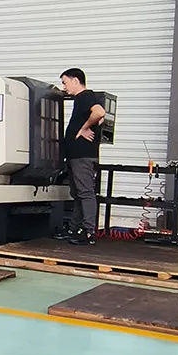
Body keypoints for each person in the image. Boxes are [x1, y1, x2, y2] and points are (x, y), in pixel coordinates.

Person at [56, 68, 105, 246]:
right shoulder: (81, 100)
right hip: (76, 155)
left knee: (85, 192)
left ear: (75, 80)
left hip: (82, 156)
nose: (64, 87)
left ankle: (89, 232)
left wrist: (84, 128)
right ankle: (73, 228)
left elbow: (99, 113)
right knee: (77, 194)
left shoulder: (85, 97)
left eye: (65, 82)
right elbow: (99, 119)